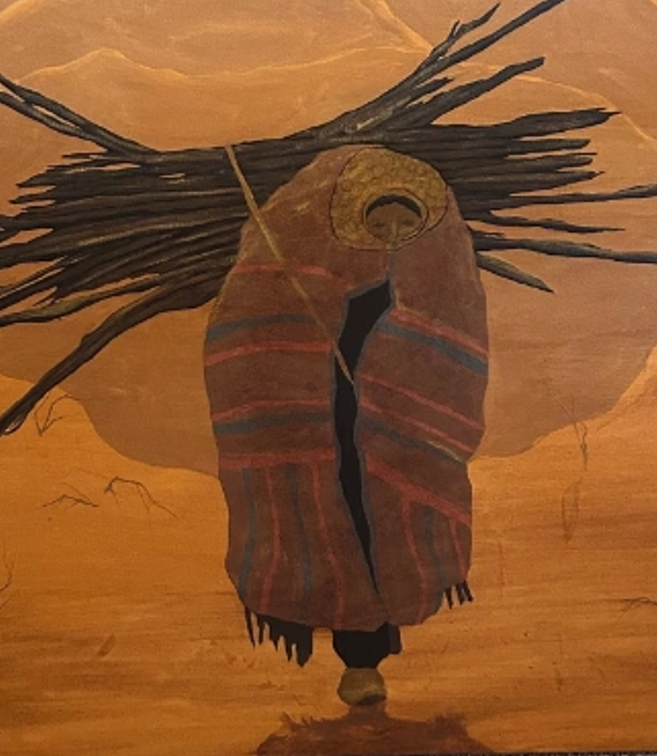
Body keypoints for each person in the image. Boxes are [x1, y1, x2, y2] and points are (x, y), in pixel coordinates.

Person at [204, 145, 488, 705]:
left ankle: (372, 648)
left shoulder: (433, 289)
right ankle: (358, 658)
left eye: (405, 222)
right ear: (358, 222)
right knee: (336, 525)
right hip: (322, 431)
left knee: (387, 527)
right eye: (380, 222)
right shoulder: (312, 279)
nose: (392, 233)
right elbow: (256, 338)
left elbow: (452, 356)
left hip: (398, 433)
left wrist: (394, 386)